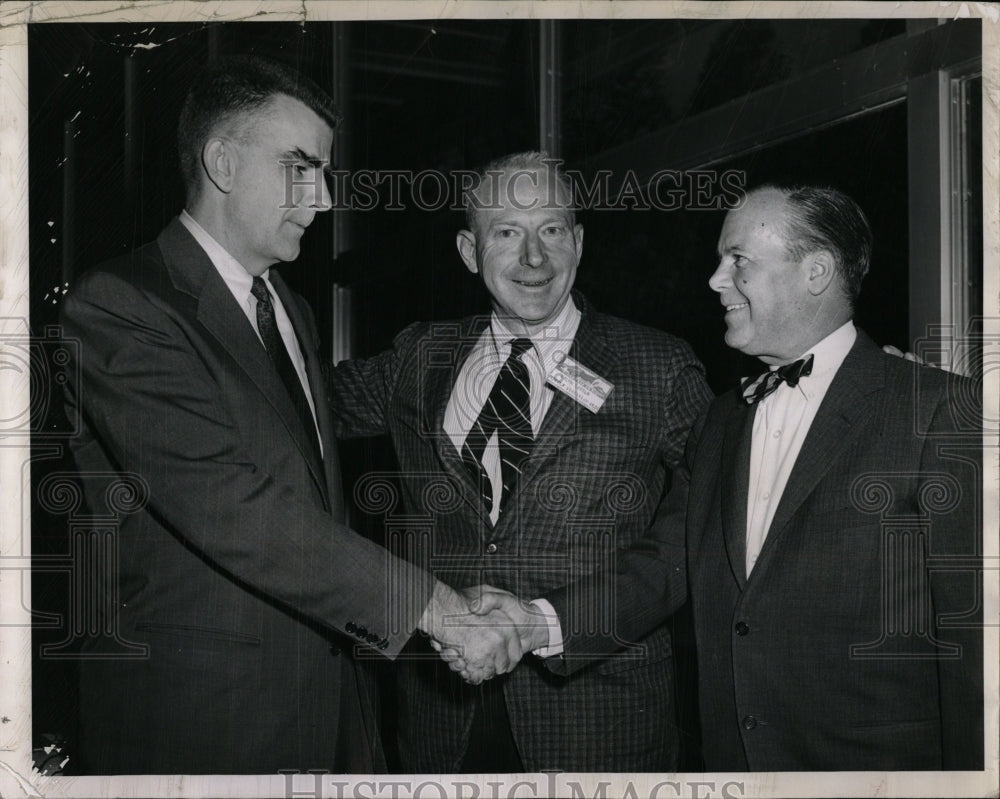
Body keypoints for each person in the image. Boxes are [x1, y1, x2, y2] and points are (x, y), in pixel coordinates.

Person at [59, 55, 517, 775]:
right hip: (204, 724)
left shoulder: (292, 311)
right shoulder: (122, 305)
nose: (324, 197)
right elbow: (234, 506)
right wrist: (434, 606)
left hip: (325, 712)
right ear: (222, 162)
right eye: (301, 167)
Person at [326, 151, 714, 773]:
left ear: (578, 243)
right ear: (467, 250)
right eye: (507, 232)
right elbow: (295, 405)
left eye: (552, 230)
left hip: (601, 728)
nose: (534, 258)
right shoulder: (419, 357)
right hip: (440, 721)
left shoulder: (658, 367)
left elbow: (707, 524)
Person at [684, 184, 983, 770]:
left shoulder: (938, 410)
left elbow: (977, 646)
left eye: (738, 260)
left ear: (816, 271)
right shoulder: (718, 421)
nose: (716, 280)